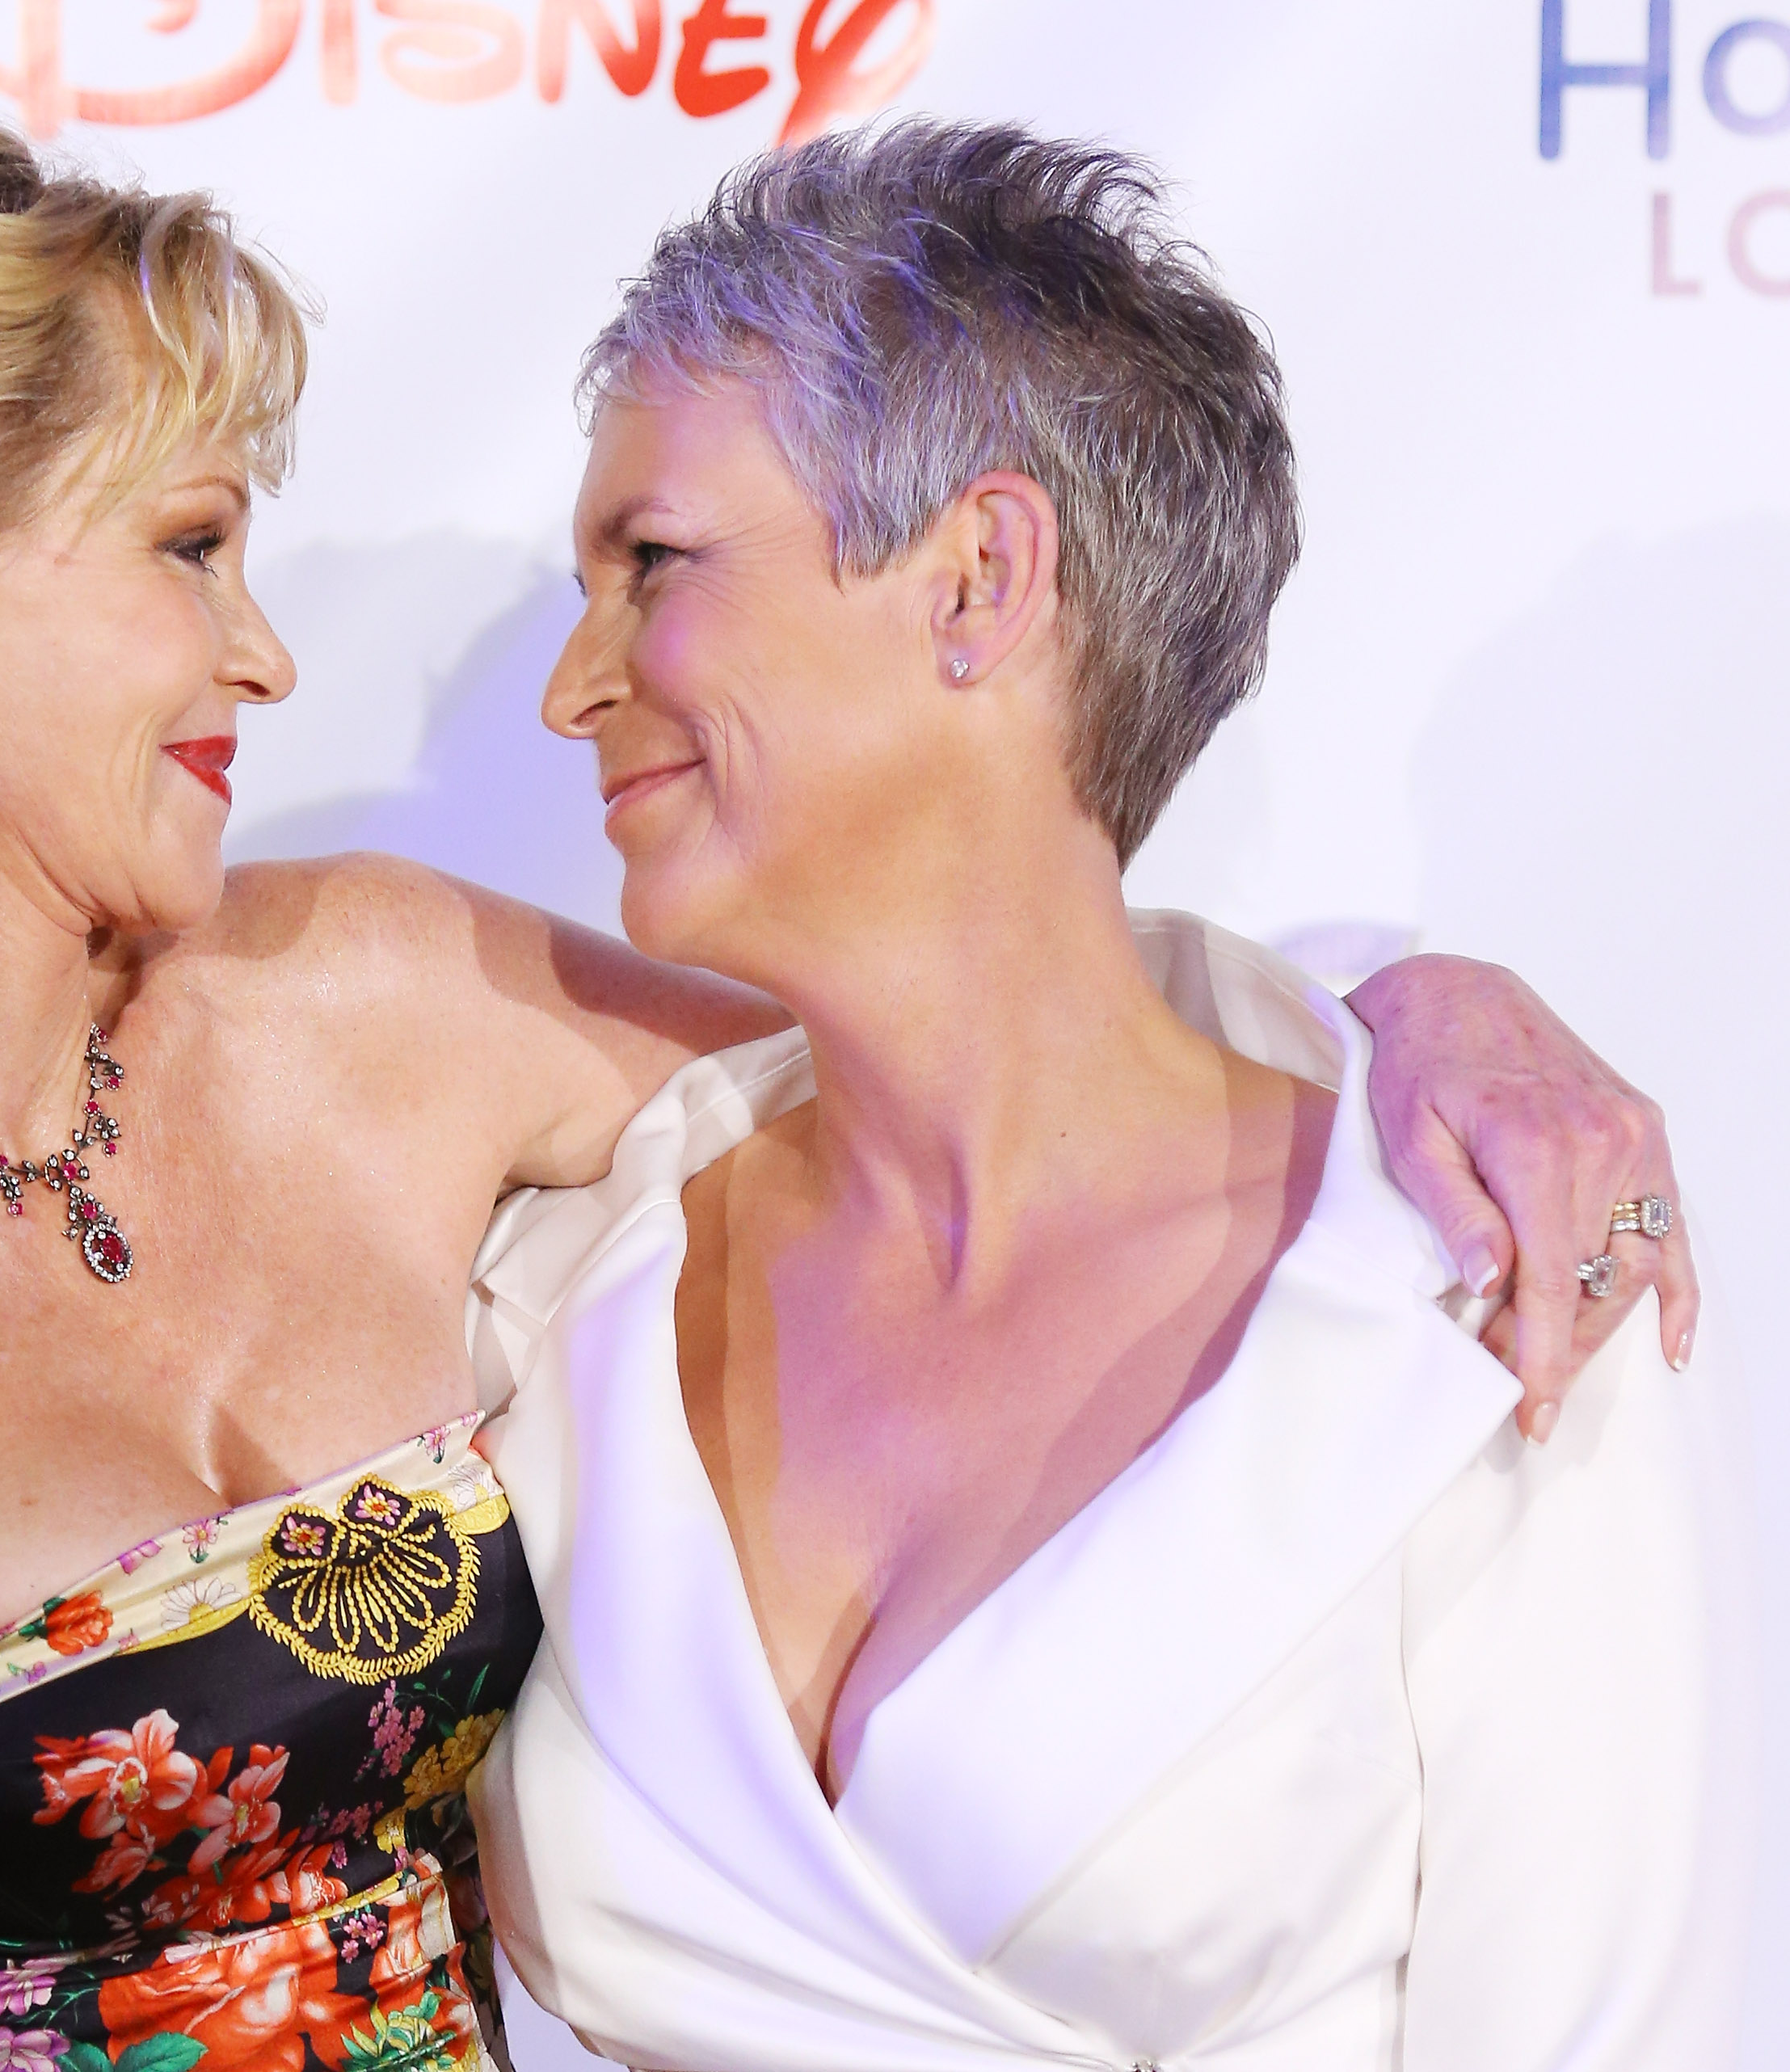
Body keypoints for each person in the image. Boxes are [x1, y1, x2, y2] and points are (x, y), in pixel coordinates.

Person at [0, 96, 1693, 2072]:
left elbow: (1006, 1048)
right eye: (189, 547)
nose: (264, 648)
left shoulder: (388, 1005)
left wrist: (1421, 990)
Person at [463, 123, 1751, 2069]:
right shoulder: (560, 1283)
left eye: (653, 563)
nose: (575, 683)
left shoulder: (1494, 1276)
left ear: (980, 574)